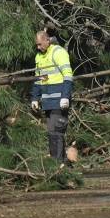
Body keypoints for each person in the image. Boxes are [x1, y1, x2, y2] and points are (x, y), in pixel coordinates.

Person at [31, 30, 74, 164]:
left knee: (57, 132)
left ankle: (58, 165)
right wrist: (34, 98)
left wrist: (65, 96)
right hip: (47, 102)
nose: (38, 47)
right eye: (36, 45)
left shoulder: (58, 52)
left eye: (39, 44)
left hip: (59, 101)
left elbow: (67, 75)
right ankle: (58, 164)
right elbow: (38, 79)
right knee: (52, 133)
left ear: (47, 40)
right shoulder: (39, 57)